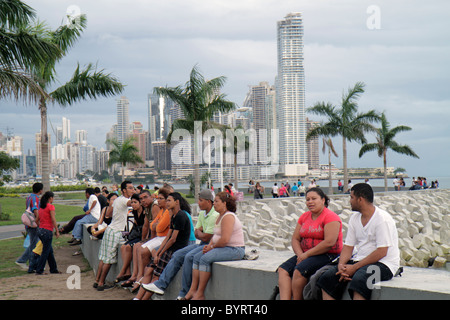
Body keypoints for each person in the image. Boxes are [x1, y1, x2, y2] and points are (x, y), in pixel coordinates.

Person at [317, 183, 400, 300]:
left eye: (351, 197)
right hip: (360, 261)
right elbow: (348, 247)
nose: (349, 201)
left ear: (360, 199)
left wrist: (354, 268)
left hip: (385, 264)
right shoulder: (355, 218)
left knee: (359, 279)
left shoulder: (382, 219)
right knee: (327, 278)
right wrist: (341, 265)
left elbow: (382, 252)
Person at [142, 189, 219, 299]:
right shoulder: (201, 213)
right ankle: (161, 285)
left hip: (208, 245)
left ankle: (183, 293)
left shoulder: (213, 215)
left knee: (188, 257)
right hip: (201, 243)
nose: (198, 203)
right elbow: (198, 233)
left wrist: (200, 233)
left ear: (208, 201)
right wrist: (201, 233)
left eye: (201, 200)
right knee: (178, 255)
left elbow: (207, 236)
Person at [277, 187, 343, 300]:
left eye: (314, 199)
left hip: (326, 254)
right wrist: (299, 254)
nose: (310, 202)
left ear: (323, 200)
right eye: (308, 199)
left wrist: (306, 255)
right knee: (282, 270)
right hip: (304, 253)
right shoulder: (304, 216)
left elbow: (329, 242)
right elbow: (295, 239)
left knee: (299, 271)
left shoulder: (331, 217)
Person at [184, 192, 245, 300]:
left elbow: (225, 239)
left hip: (235, 249)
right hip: (223, 247)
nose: (214, 204)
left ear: (224, 203)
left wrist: (211, 248)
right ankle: (193, 290)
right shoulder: (220, 216)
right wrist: (210, 245)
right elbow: (216, 236)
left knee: (204, 259)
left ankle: (200, 293)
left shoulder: (228, 216)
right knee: (197, 257)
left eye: (216, 201)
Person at [134, 192, 192, 300]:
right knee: (149, 269)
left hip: (175, 250)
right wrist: (158, 252)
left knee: (156, 275)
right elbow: (167, 238)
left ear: (177, 202)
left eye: (169, 200)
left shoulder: (180, 216)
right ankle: (137, 298)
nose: (166, 202)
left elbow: (172, 239)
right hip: (168, 249)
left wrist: (160, 253)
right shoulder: (174, 216)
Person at [95, 181, 135, 291]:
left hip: (110, 230)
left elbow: (109, 213)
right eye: (130, 188)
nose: (133, 190)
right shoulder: (125, 200)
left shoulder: (117, 200)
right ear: (124, 190)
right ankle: (101, 283)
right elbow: (133, 204)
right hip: (116, 232)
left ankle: (97, 280)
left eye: (133, 188)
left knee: (103, 258)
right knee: (108, 259)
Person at [129, 188, 171, 292]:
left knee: (143, 249)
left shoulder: (156, 207)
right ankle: (137, 275)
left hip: (163, 237)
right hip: (159, 236)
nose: (142, 200)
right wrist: (146, 238)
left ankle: (141, 277)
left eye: (145, 198)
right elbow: (150, 226)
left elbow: (158, 228)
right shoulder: (157, 210)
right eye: (141, 198)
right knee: (137, 247)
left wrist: (156, 226)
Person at [115, 193, 146, 283]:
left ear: (140, 203)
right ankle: (127, 271)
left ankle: (122, 271)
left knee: (128, 247)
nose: (133, 204)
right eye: (131, 202)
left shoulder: (144, 212)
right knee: (122, 247)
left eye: (135, 202)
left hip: (142, 236)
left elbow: (145, 227)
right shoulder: (135, 212)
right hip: (136, 234)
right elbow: (135, 224)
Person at [16, 182, 43, 269]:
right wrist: (38, 222)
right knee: (34, 244)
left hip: (29, 223)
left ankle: (32, 264)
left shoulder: (29, 197)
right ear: (40, 190)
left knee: (34, 244)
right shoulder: (35, 198)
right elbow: (35, 210)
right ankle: (23, 260)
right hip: (33, 224)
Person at [35, 191, 60, 275]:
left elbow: (36, 220)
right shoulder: (50, 207)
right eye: (53, 198)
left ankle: (53, 269)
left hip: (41, 230)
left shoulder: (41, 208)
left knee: (49, 250)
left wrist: (40, 226)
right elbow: (53, 219)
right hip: (47, 231)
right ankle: (39, 269)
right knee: (45, 251)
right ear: (50, 198)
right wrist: (57, 230)